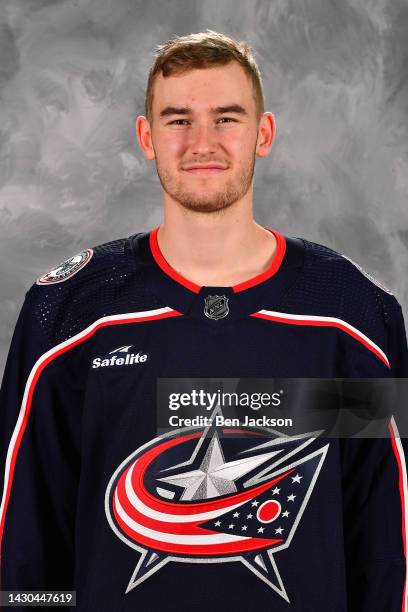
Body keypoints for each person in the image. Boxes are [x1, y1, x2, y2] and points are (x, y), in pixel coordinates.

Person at [0, 29, 407, 612]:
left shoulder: (352, 318)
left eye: (227, 118)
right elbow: (25, 543)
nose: (202, 142)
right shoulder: (68, 315)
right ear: (146, 137)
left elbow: (388, 540)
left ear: (263, 134)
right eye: (178, 119)